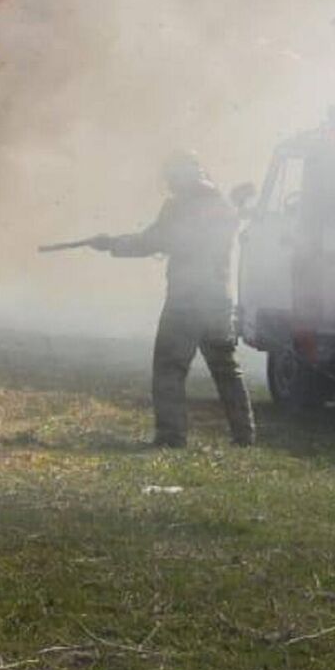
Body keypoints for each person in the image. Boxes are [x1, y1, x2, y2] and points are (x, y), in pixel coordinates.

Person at [87, 150, 255, 448]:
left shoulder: (180, 207)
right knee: (227, 370)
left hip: (185, 302)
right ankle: (244, 435)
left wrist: (112, 244)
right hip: (218, 300)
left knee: (169, 368)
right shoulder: (223, 207)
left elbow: (152, 241)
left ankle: (171, 436)